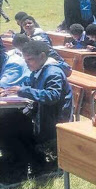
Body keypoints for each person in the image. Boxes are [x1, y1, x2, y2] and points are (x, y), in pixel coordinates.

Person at [0, 41, 73, 174]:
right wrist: (8, 90)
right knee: (7, 120)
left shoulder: (53, 72)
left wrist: (22, 91)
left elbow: (52, 96)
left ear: (42, 56)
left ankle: (29, 163)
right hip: (42, 115)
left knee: (9, 126)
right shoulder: (39, 69)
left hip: (52, 120)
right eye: (25, 59)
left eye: (30, 59)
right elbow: (27, 83)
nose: (27, 63)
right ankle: (18, 159)